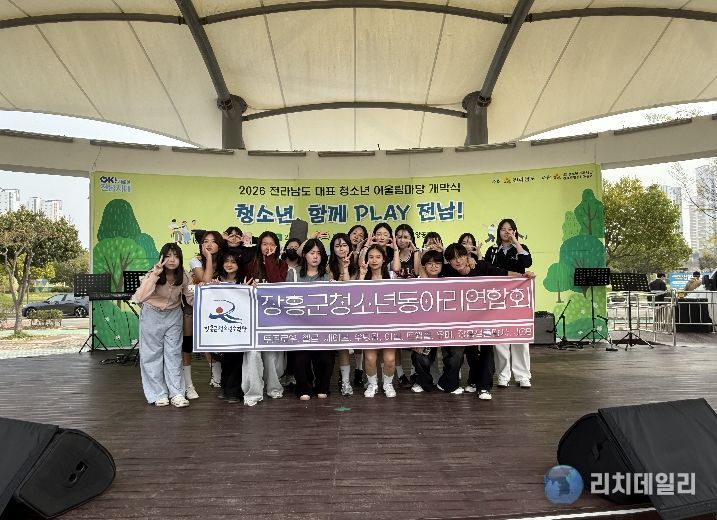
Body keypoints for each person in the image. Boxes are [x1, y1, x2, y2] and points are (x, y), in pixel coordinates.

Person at [442, 243, 535, 400]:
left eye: (461, 256)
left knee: (487, 350)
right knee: (471, 352)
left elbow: (503, 274)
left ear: (466, 256)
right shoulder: (448, 272)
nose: (457, 261)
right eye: (453, 258)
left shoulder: (481, 266)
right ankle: (474, 381)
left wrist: (522, 277)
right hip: (463, 322)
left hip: (485, 318)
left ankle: (485, 387)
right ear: (448, 261)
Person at [132, 243, 194, 408]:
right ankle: (158, 394)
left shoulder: (184, 276)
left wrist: (205, 291)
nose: (172, 260)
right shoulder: (153, 274)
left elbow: (191, 299)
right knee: (152, 355)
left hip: (173, 316)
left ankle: (177, 394)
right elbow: (139, 297)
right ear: (161, 258)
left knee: (173, 354)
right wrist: (154, 275)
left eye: (176, 256)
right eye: (168, 256)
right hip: (151, 314)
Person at [484, 219, 534, 390]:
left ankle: (523, 376)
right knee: (500, 337)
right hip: (497, 297)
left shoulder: (521, 248)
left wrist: (516, 242)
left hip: (518, 298)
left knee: (520, 337)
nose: (506, 232)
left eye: (510, 229)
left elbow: (526, 263)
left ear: (515, 231)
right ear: (498, 232)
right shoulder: (492, 250)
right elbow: (488, 271)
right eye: (503, 229)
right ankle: (503, 375)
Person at [242, 231, 288, 406]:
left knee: (271, 355)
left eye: (271, 244)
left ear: (277, 247)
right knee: (253, 354)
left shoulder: (282, 265)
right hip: (253, 317)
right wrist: (247, 287)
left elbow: (276, 284)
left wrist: (269, 260)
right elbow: (243, 289)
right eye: (264, 244)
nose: (268, 247)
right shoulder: (250, 265)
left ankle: (274, 388)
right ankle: (253, 392)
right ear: (259, 245)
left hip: (273, 317)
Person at [292, 239, 338, 400]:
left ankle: (322, 386)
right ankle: (303, 387)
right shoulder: (293, 274)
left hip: (321, 327)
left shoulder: (327, 276)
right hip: (299, 327)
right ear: (304, 254)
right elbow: (282, 295)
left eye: (319, 253)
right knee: (300, 358)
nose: (315, 256)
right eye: (312, 253)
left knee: (325, 358)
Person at [358, 243, 397, 398]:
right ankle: (372, 384)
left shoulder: (392, 276)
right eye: (371, 257)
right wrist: (362, 275)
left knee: (390, 359)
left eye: (378, 257)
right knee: (369, 358)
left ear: (383, 259)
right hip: (369, 324)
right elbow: (356, 297)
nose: (374, 260)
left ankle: (388, 384)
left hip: (389, 324)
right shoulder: (363, 276)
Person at [327, 233, 358, 396]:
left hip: (354, 311)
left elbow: (348, 288)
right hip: (334, 312)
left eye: (344, 245)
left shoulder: (356, 264)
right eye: (337, 246)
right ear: (333, 249)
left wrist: (345, 268)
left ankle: (361, 377)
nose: (341, 249)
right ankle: (345, 383)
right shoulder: (327, 266)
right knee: (342, 347)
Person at [214, 251, 246, 404]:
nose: (229, 264)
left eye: (233, 262)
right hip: (221, 327)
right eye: (226, 261)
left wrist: (249, 289)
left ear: (239, 265)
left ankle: (234, 391)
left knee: (236, 357)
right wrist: (209, 288)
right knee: (225, 358)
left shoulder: (244, 281)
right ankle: (225, 387)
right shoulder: (217, 281)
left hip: (240, 326)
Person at [410, 249, 444, 393]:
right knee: (419, 355)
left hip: (445, 328)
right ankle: (424, 382)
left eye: (437, 263)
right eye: (429, 264)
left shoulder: (448, 281)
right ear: (424, 266)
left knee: (452, 355)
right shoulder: (416, 284)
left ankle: (446, 381)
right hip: (426, 330)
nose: (434, 266)